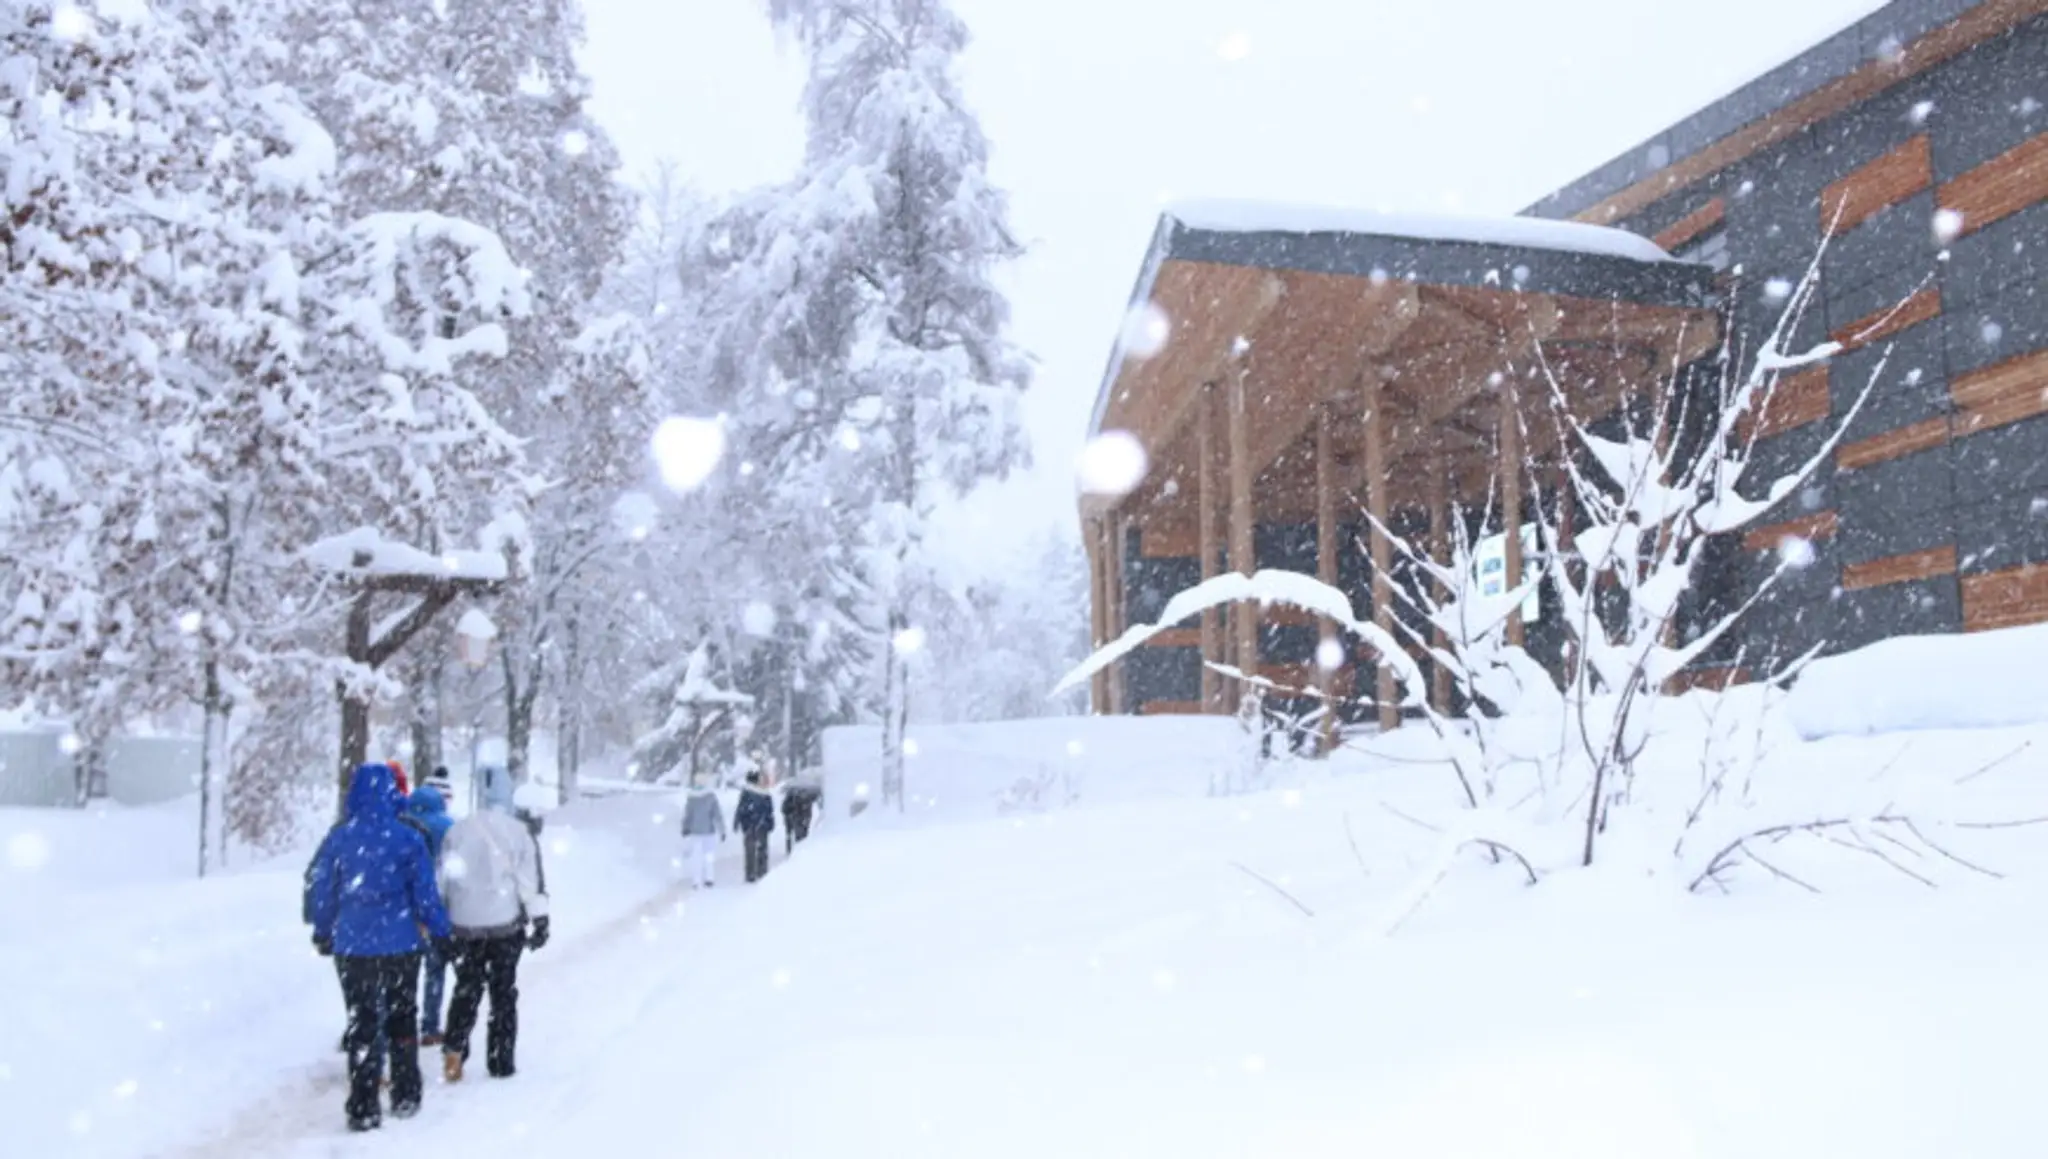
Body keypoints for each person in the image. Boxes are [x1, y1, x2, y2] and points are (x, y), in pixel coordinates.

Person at [305, 763, 454, 1133]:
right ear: (392, 794)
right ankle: (405, 1093)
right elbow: (425, 894)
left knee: (363, 1021)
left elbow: (319, 887)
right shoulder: (407, 838)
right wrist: (441, 930)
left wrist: (323, 930)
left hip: (353, 946)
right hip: (402, 943)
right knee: (402, 1015)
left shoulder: (339, 838)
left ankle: (363, 1104)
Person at [438, 765, 549, 1083]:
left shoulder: (457, 831)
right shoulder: (518, 833)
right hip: (504, 924)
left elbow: (445, 880)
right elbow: (529, 882)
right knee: (503, 993)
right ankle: (501, 1059)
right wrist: (540, 918)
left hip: (465, 924)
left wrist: (442, 919)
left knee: (466, 989)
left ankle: (455, 1049)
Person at [401, 783, 456, 1045]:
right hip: (437, 904)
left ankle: (402, 1024)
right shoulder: (447, 826)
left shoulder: (401, 826)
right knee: (435, 968)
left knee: (404, 973)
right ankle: (430, 1024)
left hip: (405, 909)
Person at [678, 776, 726, 889]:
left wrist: (685, 827)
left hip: (695, 831)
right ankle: (709, 878)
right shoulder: (711, 797)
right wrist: (722, 830)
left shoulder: (692, 798)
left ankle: (696, 880)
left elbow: (688, 815)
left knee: (696, 857)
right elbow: (717, 815)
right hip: (708, 831)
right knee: (708, 856)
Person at [734, 771, 776, 883]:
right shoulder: (765, 794)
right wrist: (770, 822)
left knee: (750, 850)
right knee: (762, 848)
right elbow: (769, 810)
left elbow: (740, 809)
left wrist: (738, 822)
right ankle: (762, 871)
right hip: (762, 825)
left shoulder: (746, 793)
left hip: (749, 825)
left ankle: (750, 873)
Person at [780, 781, 819, 854]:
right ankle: (794, 850)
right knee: (797, 835)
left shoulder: (804, 797)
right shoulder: (793, 797)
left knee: (799, 835)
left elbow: (784, 809)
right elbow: (785, 809)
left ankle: (795, 850)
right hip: (796, 819)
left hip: (799, 818)